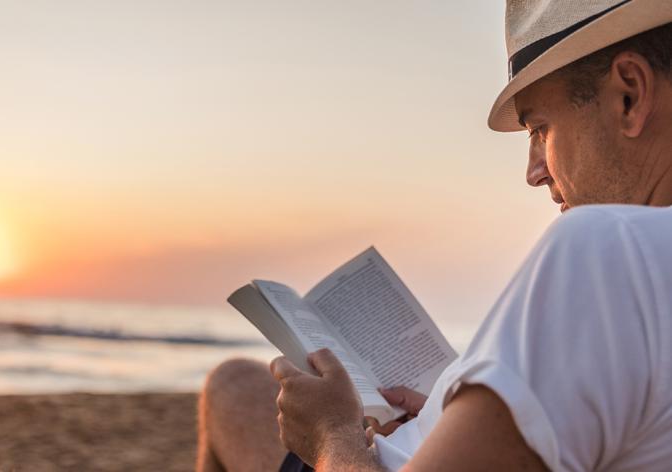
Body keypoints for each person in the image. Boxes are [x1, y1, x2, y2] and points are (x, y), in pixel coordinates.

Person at [197, 1, 672, 470]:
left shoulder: (608, 247)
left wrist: (329, 436)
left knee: (232, 387)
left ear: (629, 95)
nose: (534, 172)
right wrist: (458, 417)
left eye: (540, 129)